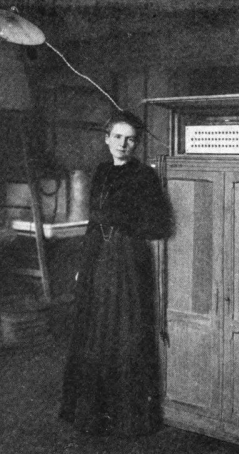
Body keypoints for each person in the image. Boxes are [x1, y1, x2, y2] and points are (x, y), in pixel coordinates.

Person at [60, 111, 172, 437]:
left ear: (136, 144)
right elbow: (93, 224)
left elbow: (160, 225)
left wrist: (124, 223)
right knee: (95, 333)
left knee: (127, 334)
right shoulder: (101, 172)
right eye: (118, 137)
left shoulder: (144, 177)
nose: (123, 144)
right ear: (107, 138)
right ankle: (95, 414)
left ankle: (127, 419)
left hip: (128, 260)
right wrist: (84, 265)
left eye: (130, 139)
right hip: (99, 260)